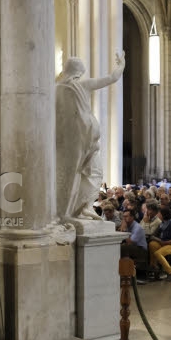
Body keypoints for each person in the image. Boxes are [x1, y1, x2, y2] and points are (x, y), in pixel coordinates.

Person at [55, 51, 125, 220]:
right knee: (94, 172)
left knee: (74, 174)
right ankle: (81, 207)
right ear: (79, 71)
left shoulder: (56, 89)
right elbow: (112, 78)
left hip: (66, 140)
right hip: (84, 137)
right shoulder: (82, 85)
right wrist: (121, 64)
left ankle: (79, 209)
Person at [148, 206, 171, 281]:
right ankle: (154, 266)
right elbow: (155, 234)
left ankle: (170, 272)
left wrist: (164, 242)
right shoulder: (162, 223)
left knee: (158, 253)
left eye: (159, 214)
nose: (157, 215)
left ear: (164, 215)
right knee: (152, 244)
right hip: (164, 243)